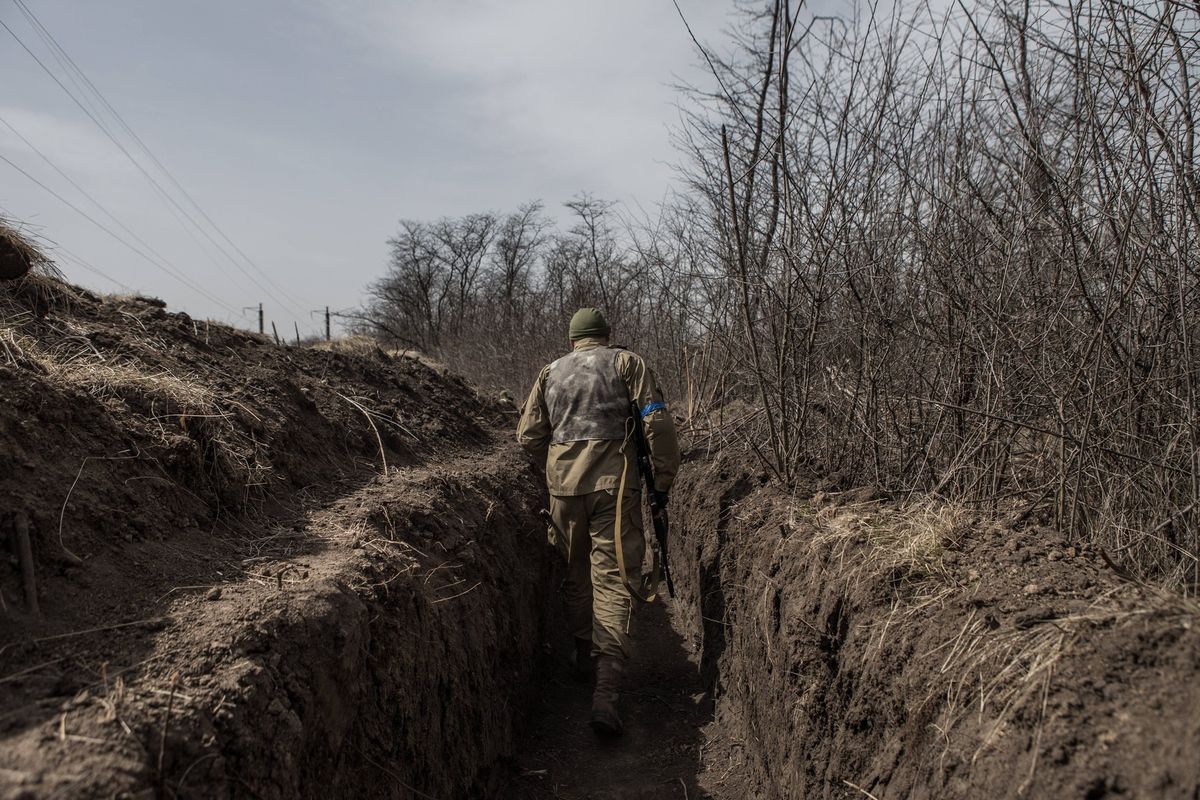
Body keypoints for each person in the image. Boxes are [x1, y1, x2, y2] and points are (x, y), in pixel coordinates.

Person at [516, 307, 681, 736]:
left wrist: (557, 466)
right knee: (612, 578)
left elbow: (529, 436)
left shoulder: (549, 372)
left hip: (562, 490)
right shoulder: (627, 363)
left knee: (575, 573)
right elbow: (657, 422)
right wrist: (662, 480)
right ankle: (606, 694)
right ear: (606, 336)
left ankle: (582, 651)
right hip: (614, 485)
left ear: (573, 340)